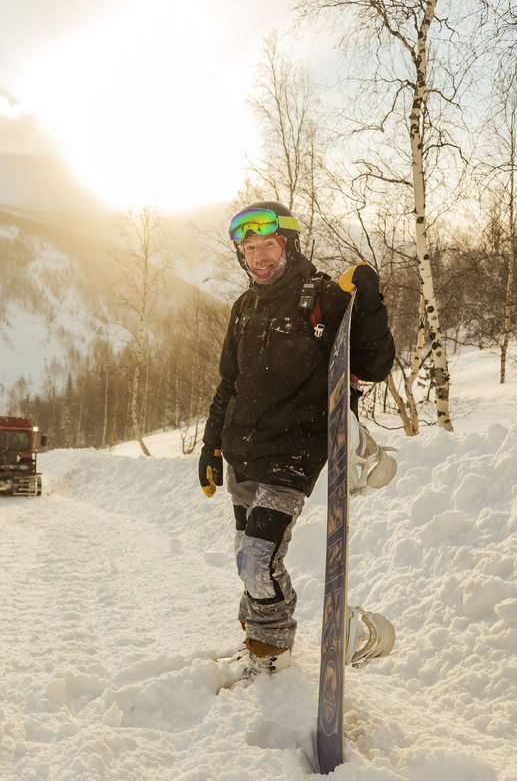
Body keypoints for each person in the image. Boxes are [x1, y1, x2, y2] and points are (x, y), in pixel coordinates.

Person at [198, 201, 396, 679]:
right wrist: (211, 445)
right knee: (248, 559)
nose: (259, 256)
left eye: (268, 244)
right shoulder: (244, 306)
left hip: (292, 453)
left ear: (288, 244)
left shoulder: (323, 297)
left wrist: (369, 300)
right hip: (244, 453)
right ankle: (256, 639)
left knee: (257, 559)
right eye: (250, 248)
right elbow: (229, 383)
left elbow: (374, 365)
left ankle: (271, 654)